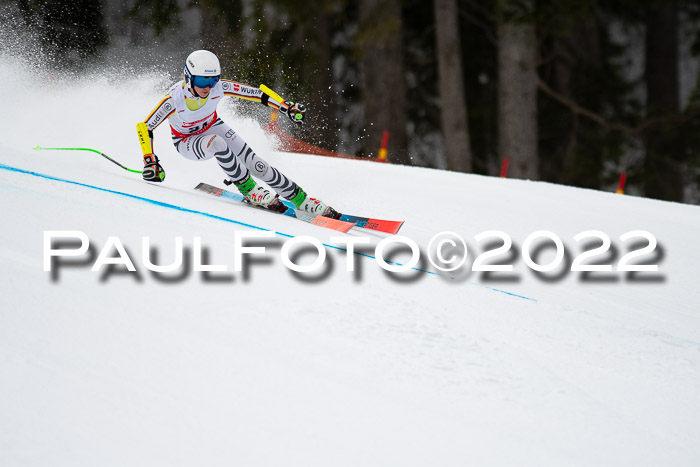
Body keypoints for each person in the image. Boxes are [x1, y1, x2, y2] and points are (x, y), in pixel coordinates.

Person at [136, 49, 339, 218]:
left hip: (213, 125)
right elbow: (145, 127)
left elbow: (257, 93)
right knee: (216, 143)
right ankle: (249, 189)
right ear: (188, 77)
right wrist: (150, 161)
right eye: (200, 81)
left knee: (257, 164)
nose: (207, 87)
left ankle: (301, 200)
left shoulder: (219, 87)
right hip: (186, 140)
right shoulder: (174, 99)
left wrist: (285, 106)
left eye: (212, 80)